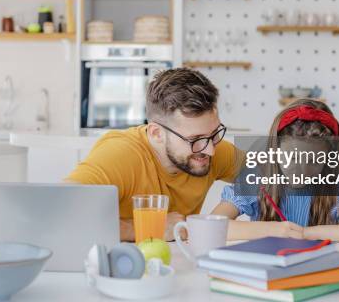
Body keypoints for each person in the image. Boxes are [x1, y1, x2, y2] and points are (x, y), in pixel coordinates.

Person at [65, 68, 239, 241]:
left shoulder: (209, 148)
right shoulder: (120, 155)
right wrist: (148, 228)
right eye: (195, 140)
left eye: (215, 134)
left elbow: (263, 172)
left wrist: (222, 213)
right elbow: (63, 210)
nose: (211, 150)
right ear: (157, 133)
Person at [212, 99, 339, 243]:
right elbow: (211, 225)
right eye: (291, 158)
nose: (301, 170)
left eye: (314, 161)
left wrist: (306, 233)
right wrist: (274, 230)